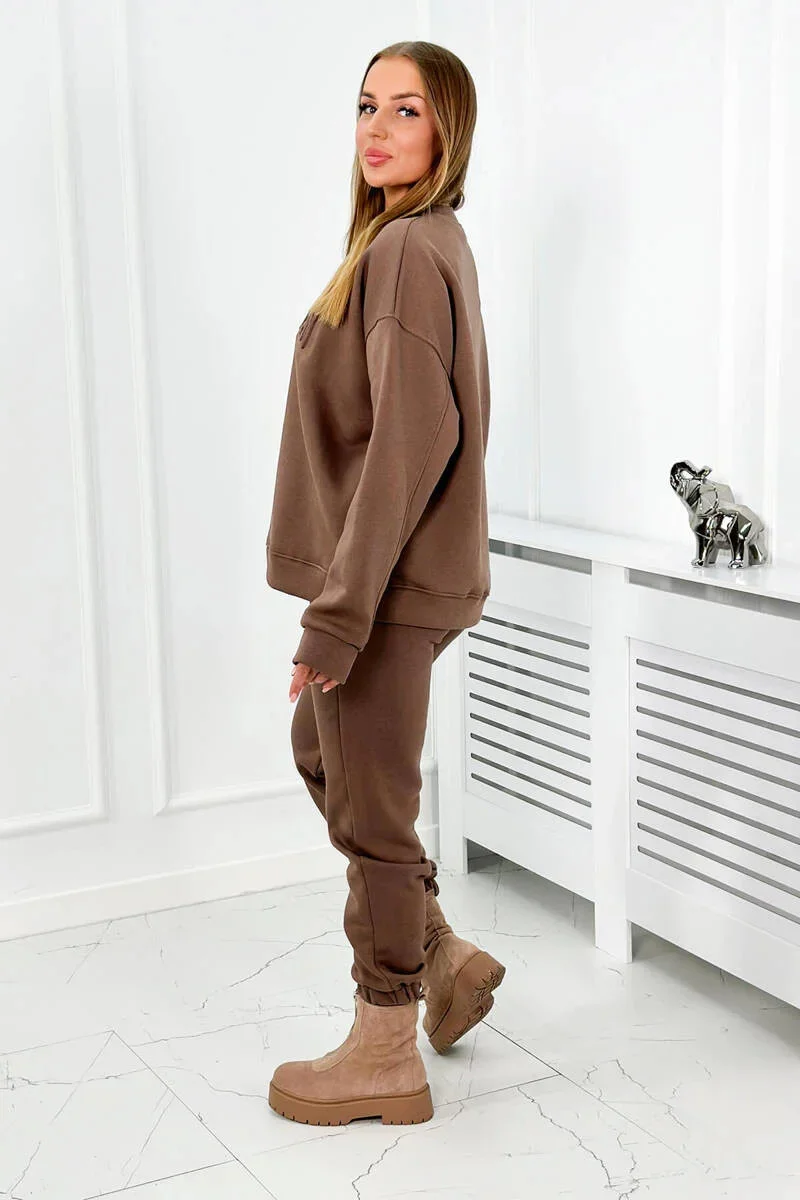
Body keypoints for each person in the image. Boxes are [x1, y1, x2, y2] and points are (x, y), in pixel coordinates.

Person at [265, 40, 505, 1127]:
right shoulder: (415, 237)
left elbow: (408, 443)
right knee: (327, 755)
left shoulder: (407, 249)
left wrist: (338, 618)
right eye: (368, 105)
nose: (377, 126)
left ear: (446, 130)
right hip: (406, 580)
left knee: (373, 813)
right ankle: (440, 953)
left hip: (388, 586)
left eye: (406, 109)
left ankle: (384, 1049)